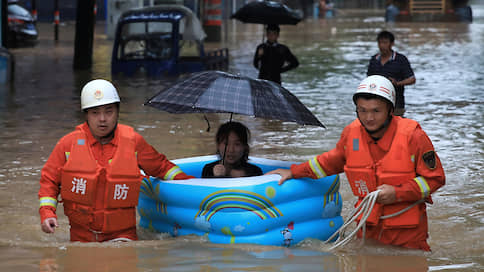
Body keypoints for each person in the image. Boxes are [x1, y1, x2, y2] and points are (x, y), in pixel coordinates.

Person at [267, 75, 445, 251]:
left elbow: (435, 179)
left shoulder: (414, 136)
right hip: (368, 228)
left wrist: (397, 193)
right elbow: (329, 162)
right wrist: (293, 172)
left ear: (390, 110)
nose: (369, 117)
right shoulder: (351, 133)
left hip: (407, 234)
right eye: (362, 110)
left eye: (376, 111)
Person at [38, 79, 194, 242]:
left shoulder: (133, 141)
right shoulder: (67, 145)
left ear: (118, 111)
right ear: (86, 115)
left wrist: (194, 185)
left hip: (123, 236)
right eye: (95, 112)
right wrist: (47, 213)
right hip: (81, 237)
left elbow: (162, 168)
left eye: (109, 111)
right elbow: (49, 181)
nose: (103, 119)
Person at [367, 31, 416, 116]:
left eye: (385, 43)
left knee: (396, 126)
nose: (382, 46)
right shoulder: (374, 60)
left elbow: (412, 79)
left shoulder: (400, 59)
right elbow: (369, 79)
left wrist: (397, 83)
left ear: (392, 43)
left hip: (396, 103)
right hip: (376, 103)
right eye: (380, 43)